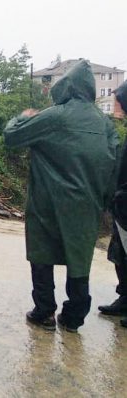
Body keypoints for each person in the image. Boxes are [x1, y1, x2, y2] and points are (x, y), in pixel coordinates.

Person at [4, 60, 118, 333]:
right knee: (80, 258)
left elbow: (12, 137)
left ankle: (44, 312)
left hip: (48, 202)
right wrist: (104, 201)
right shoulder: (104, 124)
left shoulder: (54, 116)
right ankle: (74, 317)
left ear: (64, 87)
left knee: (42, 251)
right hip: (87, 204)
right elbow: (113, 165)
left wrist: (24, 116)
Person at [100, 81, 127, 327]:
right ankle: (124, 298)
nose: (117, 103)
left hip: (125, 203)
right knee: (119, 255)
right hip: (121, 207)